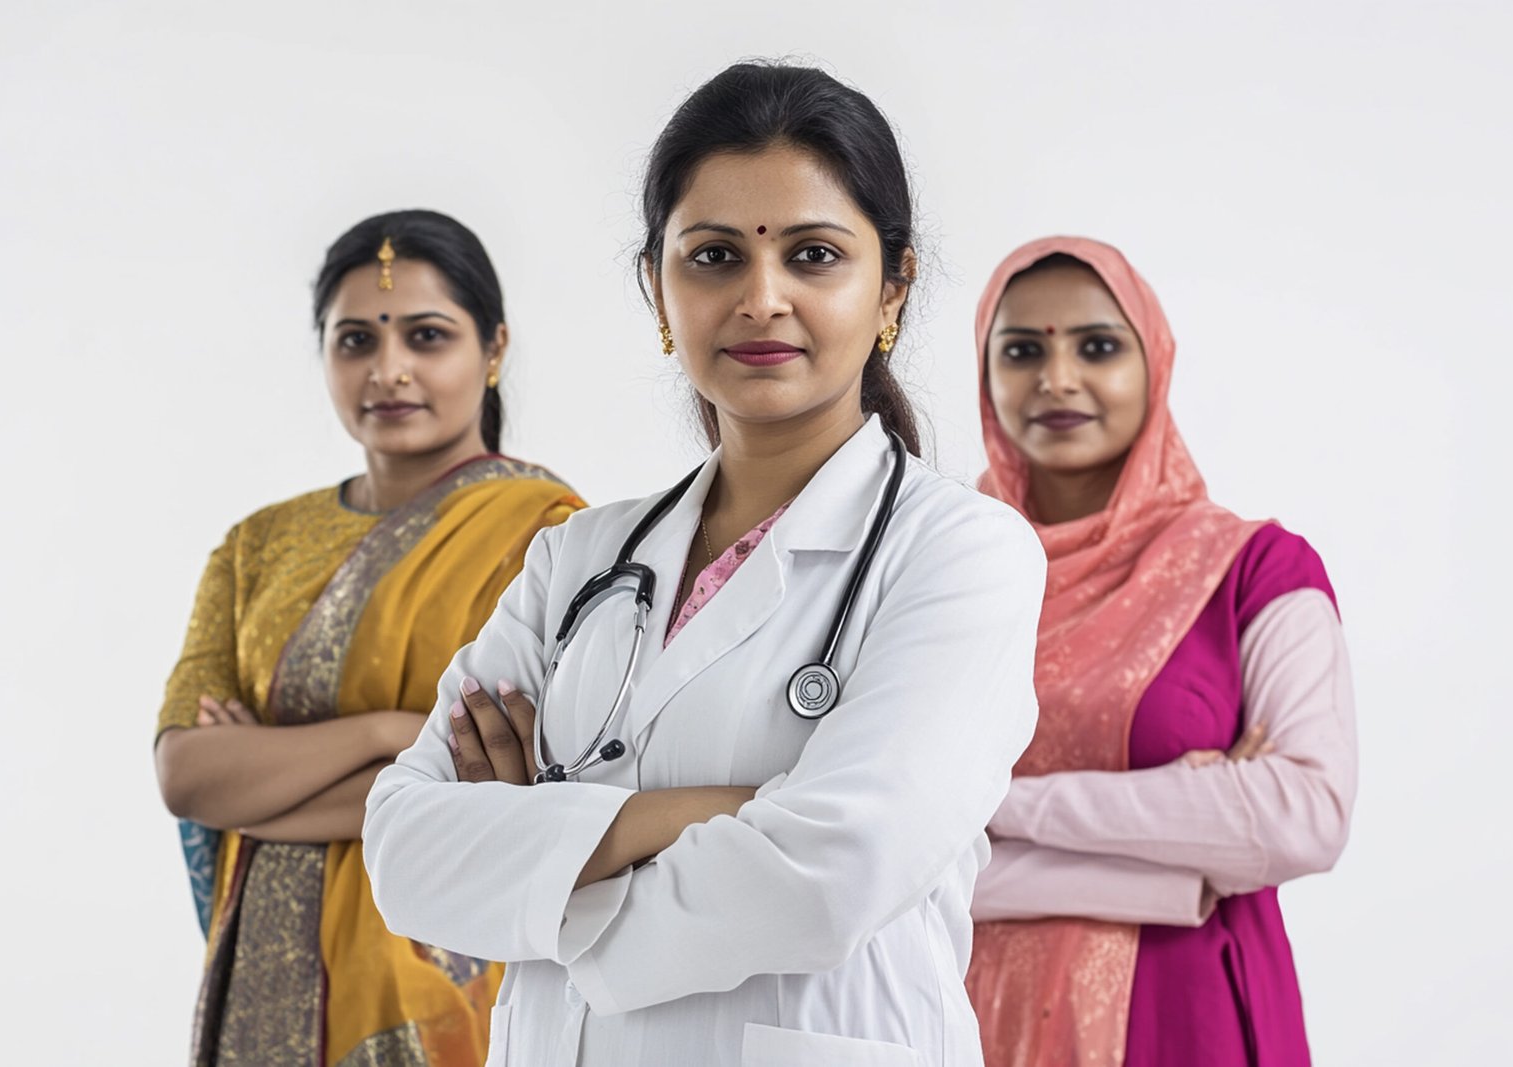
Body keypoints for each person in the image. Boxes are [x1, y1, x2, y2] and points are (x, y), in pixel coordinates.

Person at [362, 63, 1044, 1066]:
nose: (761, 299)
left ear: (892, 286)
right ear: (658, 288)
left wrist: (541, 873)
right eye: (714, 256)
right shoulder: (576, 559)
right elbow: (405, 849)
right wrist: (712, 812)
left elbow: (830, 872)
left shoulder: (960, 554)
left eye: (813, 255)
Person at [154, 209, 583, 1066]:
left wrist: (265, 780)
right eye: (355, 341)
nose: (389, 370)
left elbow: (508, 784)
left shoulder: (547, 534)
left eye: (427, 336)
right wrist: (396, 735)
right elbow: (187, 772)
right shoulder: (257, 545)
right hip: (259, 978)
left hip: (441, 979)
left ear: (492, 349)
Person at [963, 236, 1358, 1067]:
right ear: (985, 373)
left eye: (1097, 347)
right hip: (961, 1011)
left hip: (1185, 1020)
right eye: (1022, 350)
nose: (1057, 378)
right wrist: (1173, 860)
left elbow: (1307, 816)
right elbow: (880, 846)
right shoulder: (941, 576)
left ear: (1156, 362)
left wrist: (992, 808)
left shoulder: (1255, 568)